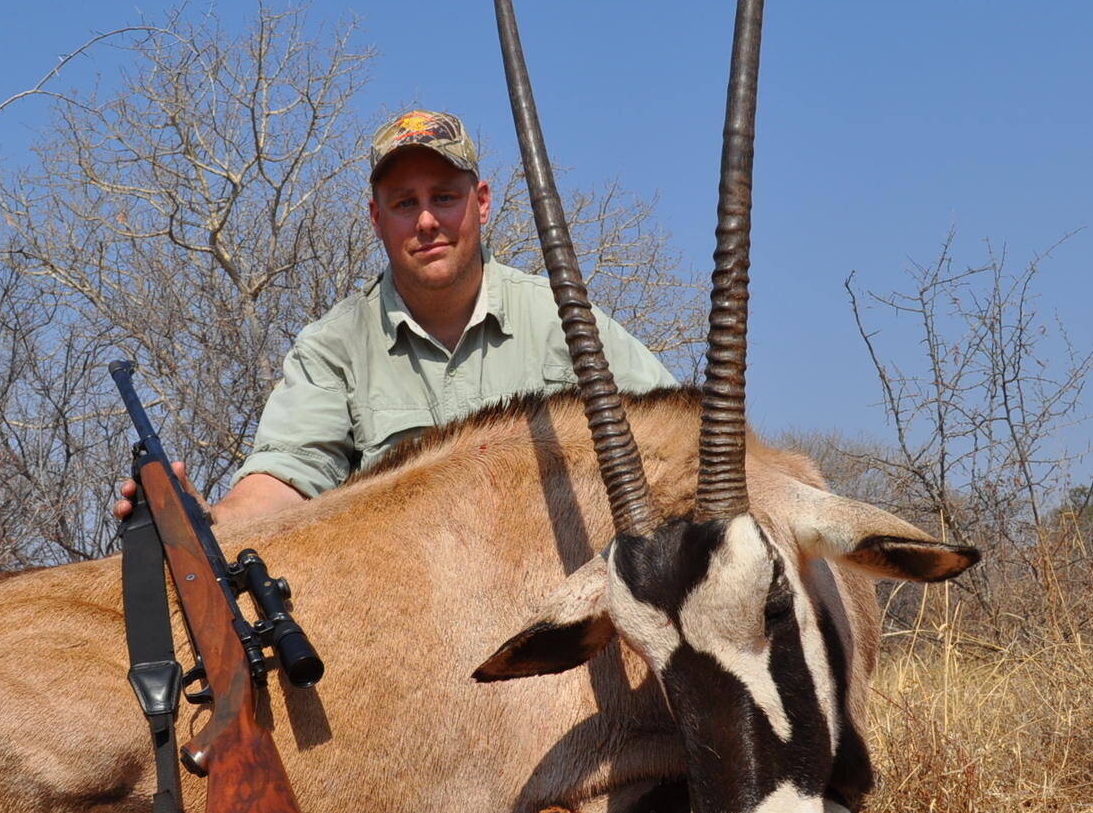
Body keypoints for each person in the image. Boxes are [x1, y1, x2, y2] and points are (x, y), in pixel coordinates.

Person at [116, 110, 676, 525]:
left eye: (445, 197)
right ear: (376, 218)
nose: (427, 220)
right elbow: (288, 476)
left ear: (481, 202)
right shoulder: (334, 345)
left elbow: (678, 435)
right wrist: (208, 521)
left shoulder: (564, 318)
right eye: (405, 203)